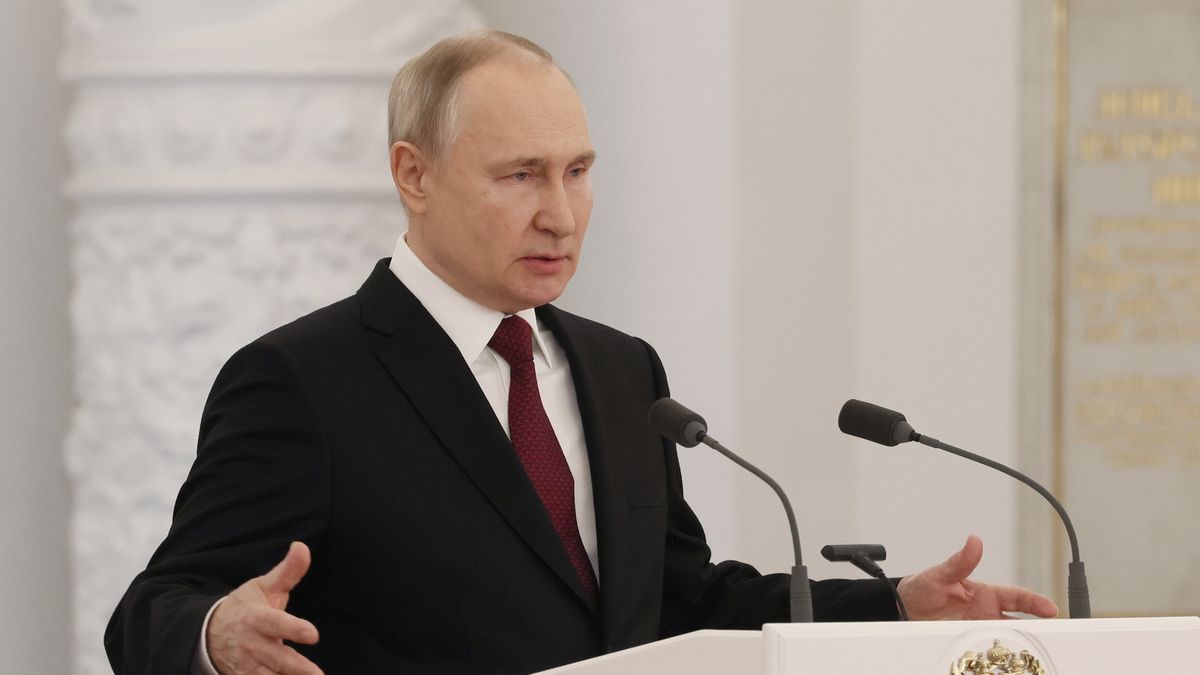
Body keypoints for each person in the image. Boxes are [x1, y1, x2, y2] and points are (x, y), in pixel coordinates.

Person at [104, 30, 1057, 675]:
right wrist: (215, 634)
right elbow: (152, 607)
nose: (560, 214)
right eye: (519, 175)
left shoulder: (620, 371)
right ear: (413, 174)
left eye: (578, 171)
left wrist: (892, 608)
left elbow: (680, 597)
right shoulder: (304, 382)